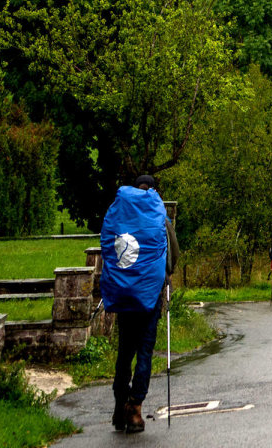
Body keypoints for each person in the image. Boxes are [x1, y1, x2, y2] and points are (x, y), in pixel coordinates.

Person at [103, 174, 179, 434]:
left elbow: (109, 249)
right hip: (150, 299)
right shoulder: (160, 218)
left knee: (124, 352)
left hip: (124, 296)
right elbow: (173, 256)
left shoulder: (121, 215)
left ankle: (119, 406)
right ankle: (135, 409)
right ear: (155, 190)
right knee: (144, 352)